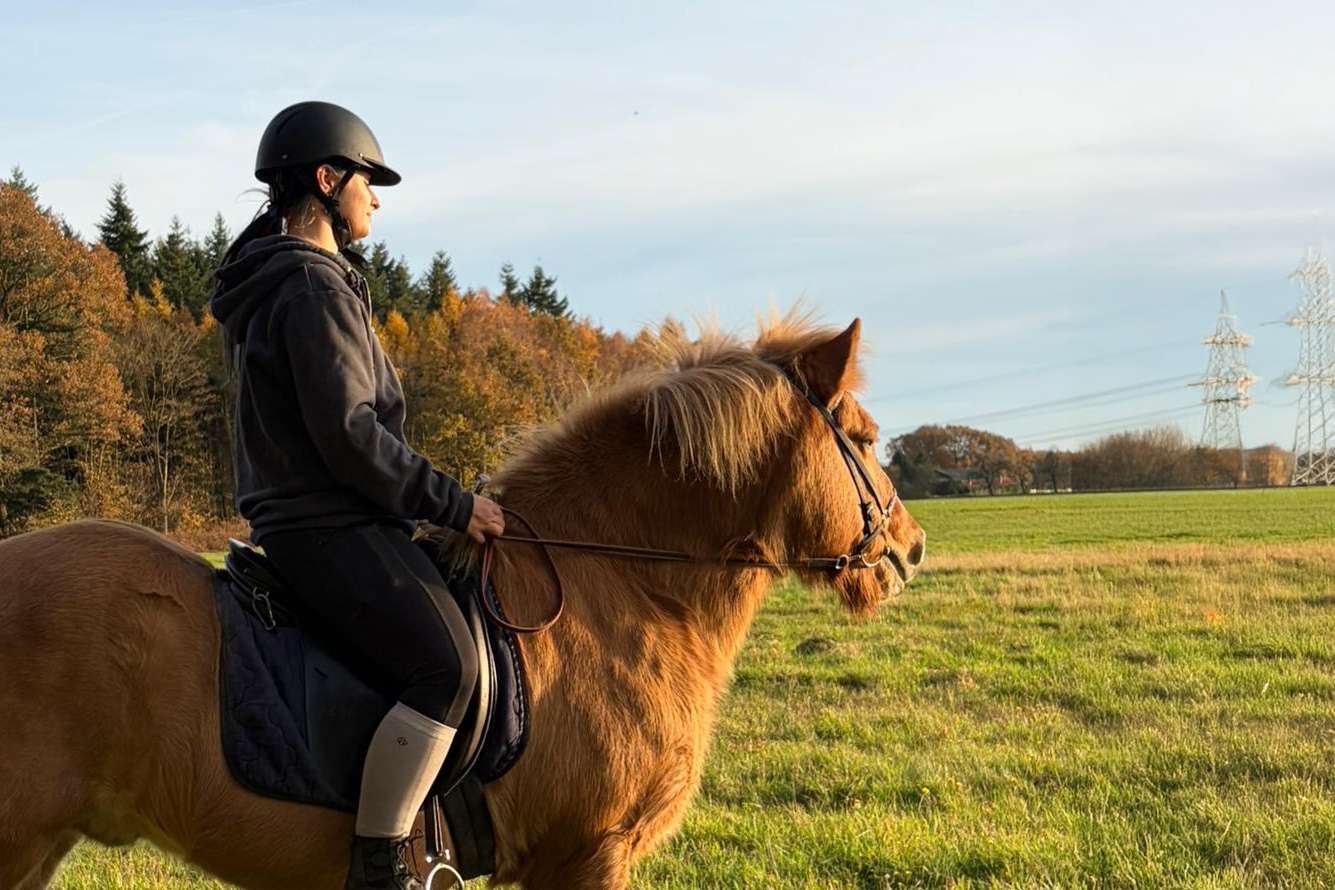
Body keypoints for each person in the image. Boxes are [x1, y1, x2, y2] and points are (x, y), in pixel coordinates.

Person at [208, 100, 505, 890]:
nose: (375, 197)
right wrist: (454, 504)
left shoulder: (292, 280)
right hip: (328, 524)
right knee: (451, 669)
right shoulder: (311, 287)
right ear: (326, 178)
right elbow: (351, 436)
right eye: (367, 180)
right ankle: (380, 863)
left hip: (315, 519)